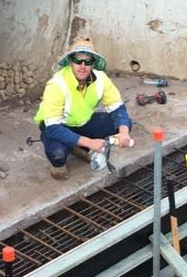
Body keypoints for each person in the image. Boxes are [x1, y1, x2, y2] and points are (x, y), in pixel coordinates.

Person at [34, 40, 133, 180]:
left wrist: (124, 133)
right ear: (70, 61)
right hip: (57, 127)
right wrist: (90, 142)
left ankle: (78, 146)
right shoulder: (57, 84)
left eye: (88, 62)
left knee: (125, 123)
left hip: (83, 122)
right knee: (57, 153)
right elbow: (53, 128)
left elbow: (117, 107)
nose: (82, 66)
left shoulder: (100, 79)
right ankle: (59, 164)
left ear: (93, 63)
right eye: (77, 60)